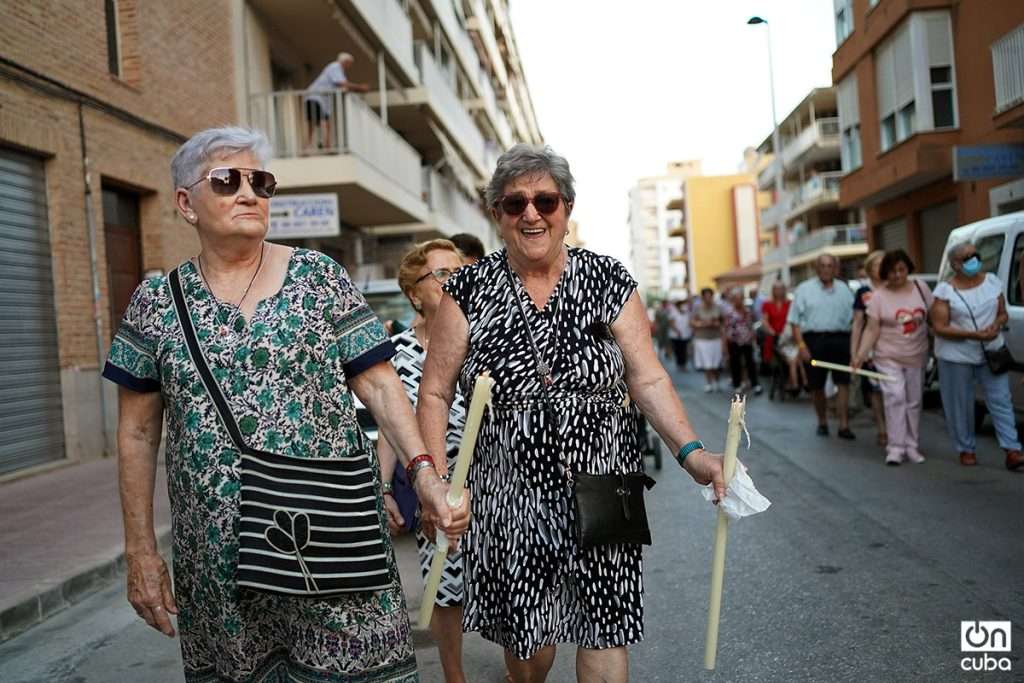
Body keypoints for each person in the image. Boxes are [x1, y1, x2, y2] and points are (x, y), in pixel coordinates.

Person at [103, 126, 469, 683]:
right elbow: (135, 433)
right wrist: (141, 552)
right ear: (185, 203)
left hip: (333, 534)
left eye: (261, 182)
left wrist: (423, 473)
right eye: (227, 181)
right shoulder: (156, 304)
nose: (249, 193)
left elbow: (379, 384)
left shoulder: (320, 278)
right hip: (221, 557)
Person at [416, 144, 725, 683]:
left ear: (567, 207)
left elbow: (647, 376)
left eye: (545, 200)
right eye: (514, 204)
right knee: (530, 650)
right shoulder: (465, 291)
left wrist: (693, 454)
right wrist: (436, 482)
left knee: (606, 626)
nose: (531, 214)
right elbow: (436, 392)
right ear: (497, 215)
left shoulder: (608, 280)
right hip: (509, 495)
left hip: (603, 486)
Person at [378, 239, 472, 682]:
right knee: (445, 588)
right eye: (442, 274)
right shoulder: (394, 353)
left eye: (459, 271)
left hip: (499, 483)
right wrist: (384, 490)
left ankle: (522, 667)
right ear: (415, 292)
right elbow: (388, 429)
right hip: (436, 487)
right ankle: (455, 675)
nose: (455, 281)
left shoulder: (484, 341)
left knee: (511, 585)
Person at [929, 243, 1024, 470]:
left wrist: (995, 326)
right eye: (967, 257)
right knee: (960, 404)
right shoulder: (945, 291)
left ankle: (1012, 449)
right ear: (955, 265)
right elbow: (939, 326)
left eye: (975, 255)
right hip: (956, 356)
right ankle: (966, 448)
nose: (973, 259)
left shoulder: (992, 282)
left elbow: (1002, 313)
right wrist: (972, 334)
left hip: (992, 352)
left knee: (1001, 400)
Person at [852, 250, 933, 465]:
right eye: (892, 271)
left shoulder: (920, 288)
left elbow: (934, 315)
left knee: (914, 401)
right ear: (884, 273)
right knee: (895, 396)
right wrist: (859, 355)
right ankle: (895, 447)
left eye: (901, 270)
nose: (897, 275)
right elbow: (871, 329)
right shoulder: (878, 296)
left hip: (917, 354)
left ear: (908, 269)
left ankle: (912, 446)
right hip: (887, 356)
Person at [789, 253, 856, 439]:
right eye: (822, 266)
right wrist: (802, 346)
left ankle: (844, 425)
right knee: (816, 385)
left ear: (835, 268)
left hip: (841, 339)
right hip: (814, 341)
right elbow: (794, 322)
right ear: (816, 268)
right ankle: (822, 421)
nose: (826, 269)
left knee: (843, 382)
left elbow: (855, 320)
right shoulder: (804, 289)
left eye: (830, 266)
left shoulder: (844, 289)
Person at [851, 251, 888, 447]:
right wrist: (856, 353)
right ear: (869, 268)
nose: (881, 268)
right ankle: (882, 428)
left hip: (894, 347)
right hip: (871, 348)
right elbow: (857, 324)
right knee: (875, 391)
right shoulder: (863, 292)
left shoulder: (894, 288)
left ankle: (896, 429)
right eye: (876, 264)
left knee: (894, 391)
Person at [304, 52, 370, 150]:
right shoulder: (335, 67)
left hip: (316, 98)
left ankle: (310, 147)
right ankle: (326, 147)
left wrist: (355, 89)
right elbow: (341, 83)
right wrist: (360, 88)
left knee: (316, 123)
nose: (349, 66)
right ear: (345, 61)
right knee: (323, 122)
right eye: (349, 63)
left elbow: (343, 87)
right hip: (316, 98)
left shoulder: (336, 70)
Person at [762, 282, 805, 393]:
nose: (779, 291)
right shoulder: (768, 304)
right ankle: (794, 382)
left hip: (790, 336)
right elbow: (765, 321)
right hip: (776, 339)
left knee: (799, 355)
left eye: (781, 289)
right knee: (790, 358)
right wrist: (772, 331)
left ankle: (798, 382)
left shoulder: (790, 303)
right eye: (776, 289)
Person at [723, 289, 762, 395]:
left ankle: (755, 384)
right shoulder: (729, 313)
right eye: (736, 299)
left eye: (740, 299)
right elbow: (726, 328)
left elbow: (751, 326)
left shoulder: (748, 311)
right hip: (734, 341)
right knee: (735, 363)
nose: (738, 301)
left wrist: (753, 337)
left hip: (747, 340)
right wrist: (725, 344)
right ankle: (737, 384)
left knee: (750, 363)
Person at [692, 287, 725, 392]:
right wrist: (702, 324)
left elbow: (723, 322)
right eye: (706, 296)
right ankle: (708, 383)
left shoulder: (718, 308)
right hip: (702, 338)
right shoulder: (697, 308)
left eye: (710, 296)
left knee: (716, 362)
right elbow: (692, 322)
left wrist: (716, 324)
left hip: (715, 337)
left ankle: (716, 381)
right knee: (707, 363)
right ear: (703, 297)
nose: (708, 298)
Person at [667, 298, 692, 370]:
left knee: (684, 350)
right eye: (683, 305)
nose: (684, 306)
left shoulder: (687, 313)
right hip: (676, 335)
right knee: (678, 350)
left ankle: (683, 364)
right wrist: (677, 331)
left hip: (686, 334)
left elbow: (689, 322)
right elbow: (671, 323)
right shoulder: (673, 312)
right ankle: (679, 364)